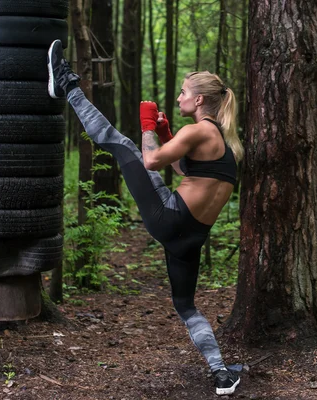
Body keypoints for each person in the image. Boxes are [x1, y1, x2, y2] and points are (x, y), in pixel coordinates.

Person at [48, 40, 243, 396]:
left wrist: (149, 126)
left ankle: (66, 83)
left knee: (118, 142)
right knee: (186, 306)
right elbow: (187, 168)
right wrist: (167, 133)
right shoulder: (224, 144)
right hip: (190, 237)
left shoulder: (198, 129)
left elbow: (152, 160)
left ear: (200, 100)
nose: (181, 97)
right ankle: (221, 374)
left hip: (167, 216)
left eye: (184, 92)